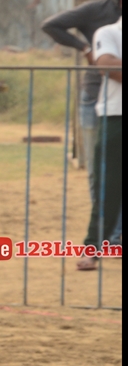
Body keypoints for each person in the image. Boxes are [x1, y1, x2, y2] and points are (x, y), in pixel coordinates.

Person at [41, 0, 122, 234]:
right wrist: (85, 48)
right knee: (99, 170)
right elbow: (51, 25)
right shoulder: (97, 11)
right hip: (95, 96)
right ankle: (106, 233)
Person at [79, 16, 121, 270]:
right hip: (116, 116)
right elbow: (108, 66)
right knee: (107, 188)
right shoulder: (108, 32)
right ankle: (93, 248)